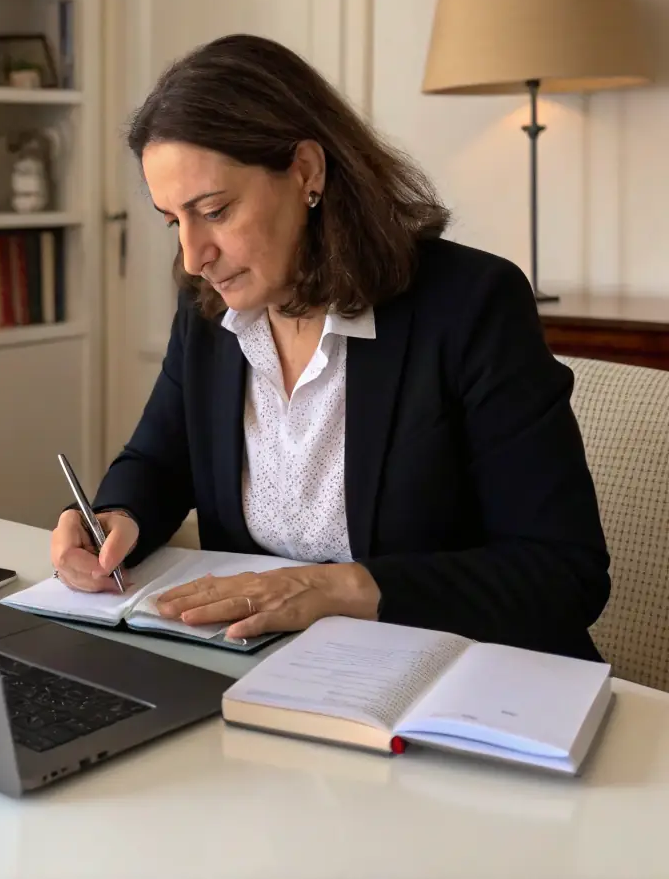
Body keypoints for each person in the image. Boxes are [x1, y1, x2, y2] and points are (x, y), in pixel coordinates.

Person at [50, 34, 610, 659]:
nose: (192, 255)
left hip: (461, 681)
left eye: (214, 210)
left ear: (306, 172)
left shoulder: (471, 305)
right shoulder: (210, 311)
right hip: (272, 670)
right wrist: (115, 518)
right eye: (172, 220)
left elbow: (564, 574)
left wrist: (337, 587)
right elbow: (157, 461)